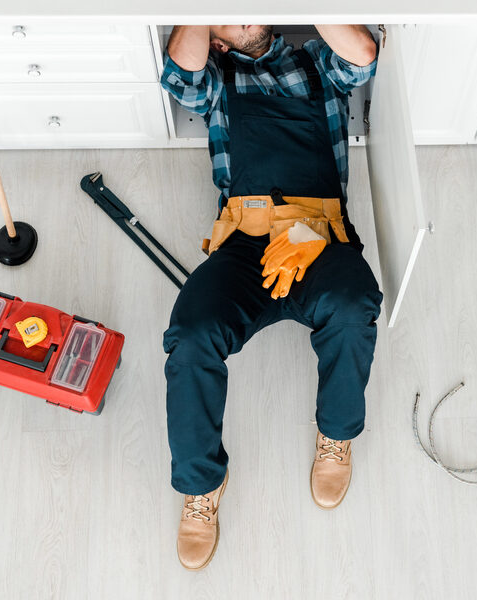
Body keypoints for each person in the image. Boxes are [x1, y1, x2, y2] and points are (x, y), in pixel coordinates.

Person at [159, 24, 383, 570]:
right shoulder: (218, 82)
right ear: (216, 40)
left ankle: (336, 435)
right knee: (190, 338)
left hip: (318, 239)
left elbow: (364, 56)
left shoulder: (318, 65)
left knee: (355, 307)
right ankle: (201, 484)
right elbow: (179, 76)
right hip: (245, 245)